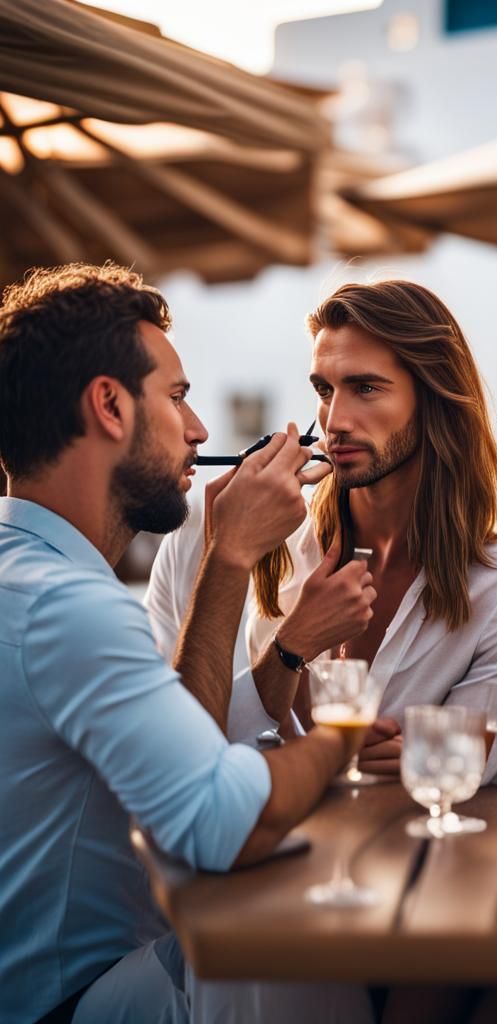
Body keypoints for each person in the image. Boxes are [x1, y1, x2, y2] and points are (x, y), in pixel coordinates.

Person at [0, 264, 375, 1024]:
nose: (200, 430)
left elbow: (190, 746)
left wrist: (229, 559)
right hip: (65, 1003)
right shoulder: (66, 607)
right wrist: (345, 732)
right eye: (176, 397)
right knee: (290, 951)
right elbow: (223, 826)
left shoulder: (29, 575)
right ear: (109, 405)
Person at [145, 280, 497, 782]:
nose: (334, 420)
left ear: (434, 399)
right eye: (323, 390)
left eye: (365, 388)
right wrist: (293, 647)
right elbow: (173, 752)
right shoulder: (226, 534)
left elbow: (453, 774)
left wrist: (423, 761)